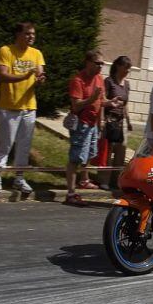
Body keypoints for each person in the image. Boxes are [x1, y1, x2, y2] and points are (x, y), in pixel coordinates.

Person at [0, 22, 46, 194]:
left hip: (29, 107)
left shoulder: (36, 54)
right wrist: (25, 75)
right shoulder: (6, 51)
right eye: (28, 34)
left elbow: (40, 75)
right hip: (9, 106)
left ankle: (19, 178)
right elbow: (3, 76)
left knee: (24, 145)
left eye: (33, 34)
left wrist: (40, 80)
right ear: (18, 34)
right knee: (4, 143)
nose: (31, 37)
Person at [64, 51, 105, 206]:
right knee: (75, 157)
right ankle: (70, 193)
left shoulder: (99, 79)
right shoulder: (78, 80)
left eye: (102, 63)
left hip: (93, 124)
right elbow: (76, 105)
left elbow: (101, 100)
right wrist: (91, 99)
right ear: (88, 63)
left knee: (89, 154)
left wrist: (110, 103)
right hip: (81, 123)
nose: (100, 66)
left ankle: (84, 180)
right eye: (97, 63)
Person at [93, 55, 134, 190]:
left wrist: (128, 121)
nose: (128, 70)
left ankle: (116, 180)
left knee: (120, 151)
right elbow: (102, 101)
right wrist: (102, 120)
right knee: (107, 151)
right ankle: (103, 179)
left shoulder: (127, 84)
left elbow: (126, 104)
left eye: (129, 68)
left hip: (121, 122)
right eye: (126, 67)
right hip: (110, 121)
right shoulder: (109, 81)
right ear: (118, 66)